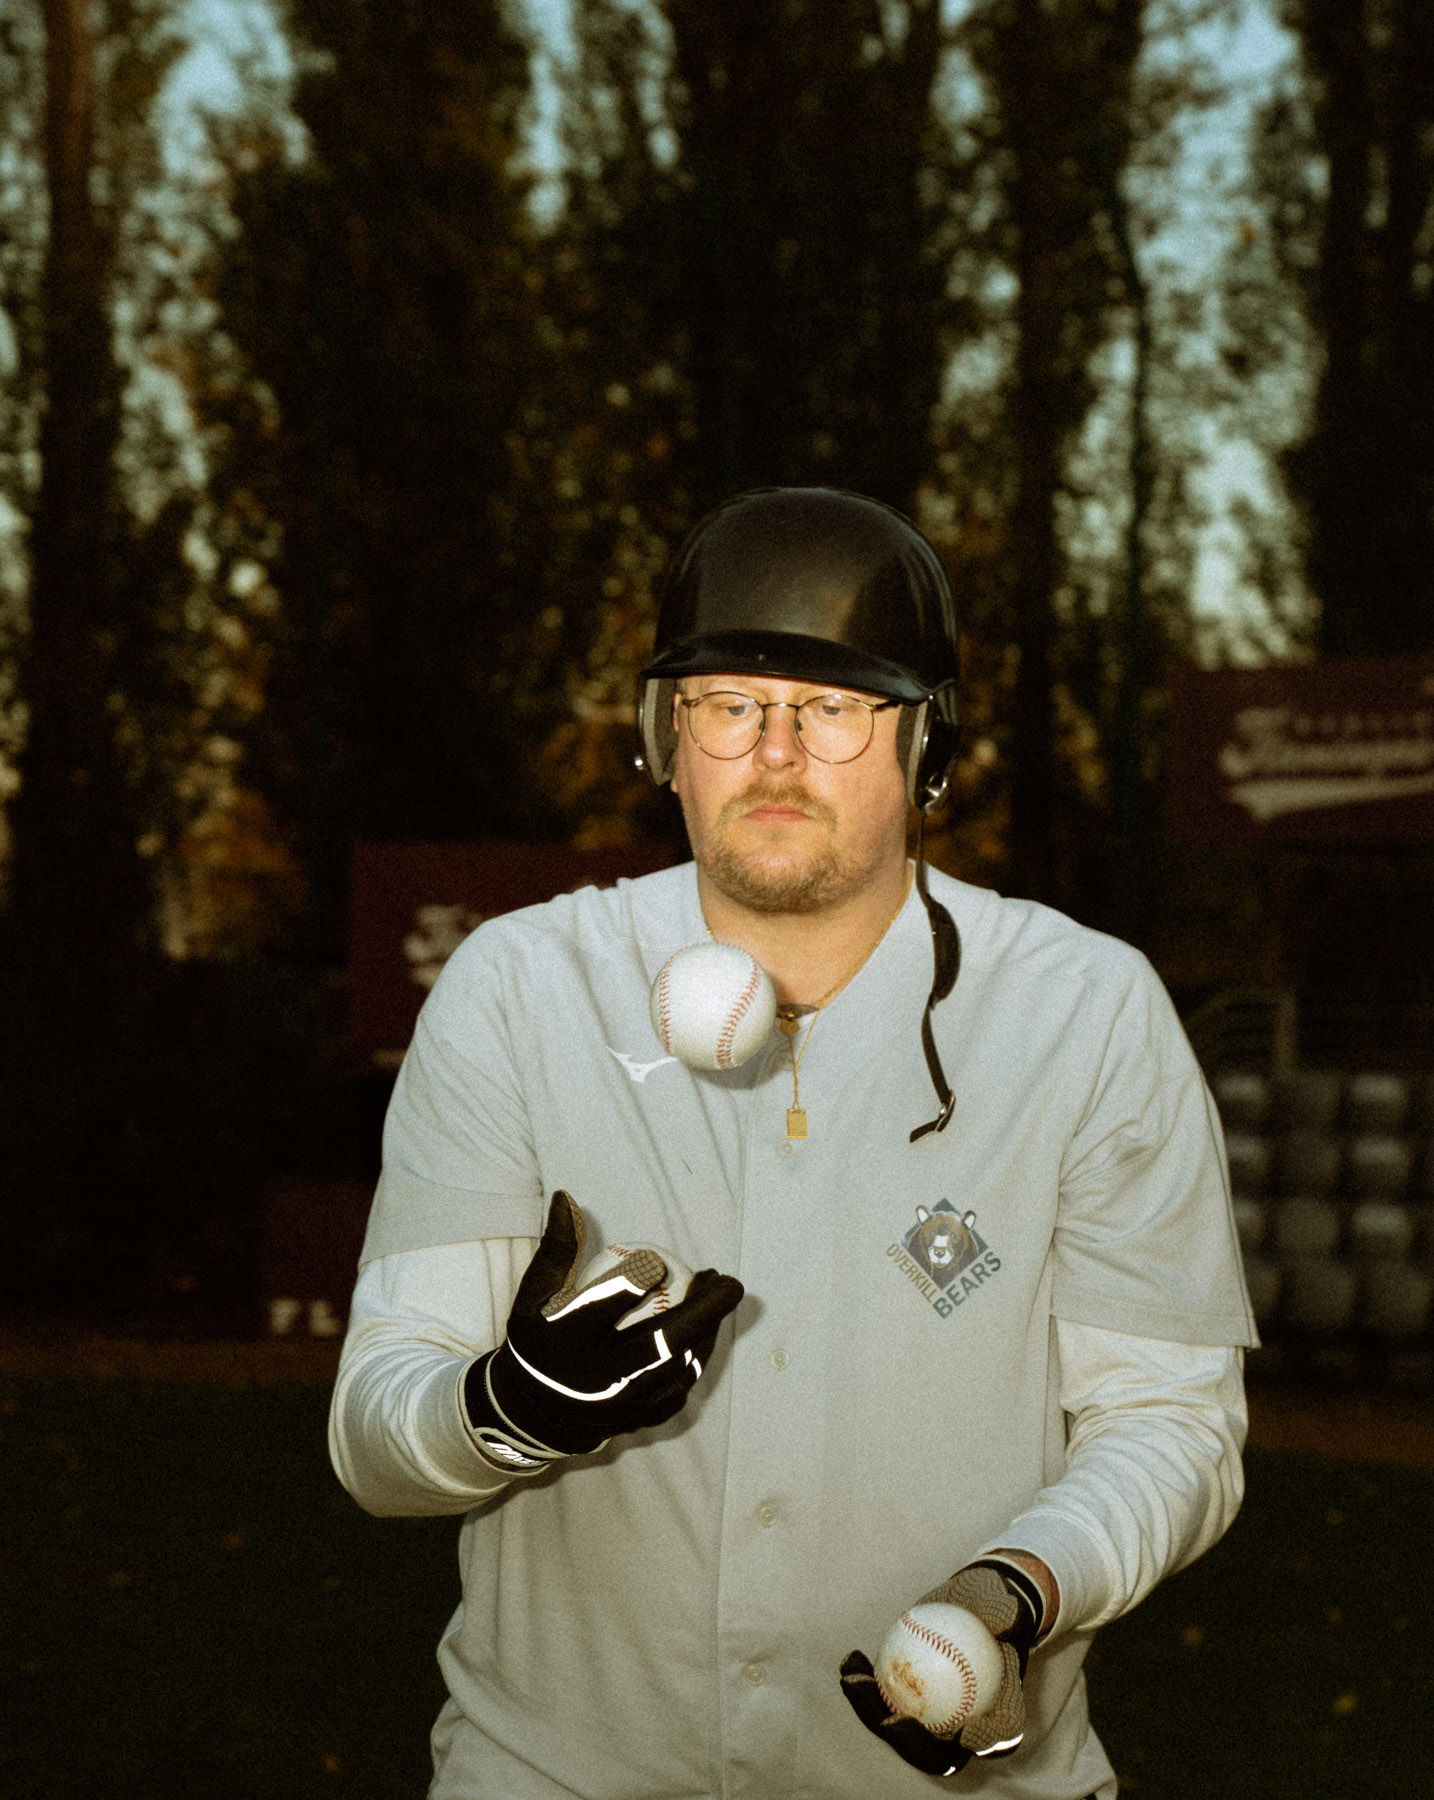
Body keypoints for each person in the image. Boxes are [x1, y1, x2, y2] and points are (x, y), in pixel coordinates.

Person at [330, 487, 1256, 1799]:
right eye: (729, 704)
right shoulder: (521, 988)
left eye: (833, 709)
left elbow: (1168, 1424)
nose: (774, 753)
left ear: (928, 746)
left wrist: (1018, 1593)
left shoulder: (1085, 1011)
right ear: (666, 737)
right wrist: (501, 1411)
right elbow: (374, 1435)